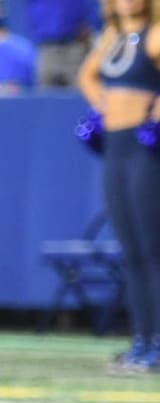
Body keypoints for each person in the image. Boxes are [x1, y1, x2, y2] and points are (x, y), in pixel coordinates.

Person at [79, 0, 160, 372]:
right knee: (130, 250)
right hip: (115, 146)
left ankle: (157, 341)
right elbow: (87, 75)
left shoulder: (155, 34)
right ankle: (142, 339)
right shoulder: (113, 36)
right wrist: (102, 105)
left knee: (152, 248)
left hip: (145, 147)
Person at [27, 0, 98, 87]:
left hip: (76, 46)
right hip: (47, 47)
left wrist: (91, 25)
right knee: (46, 96)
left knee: (81, 93)